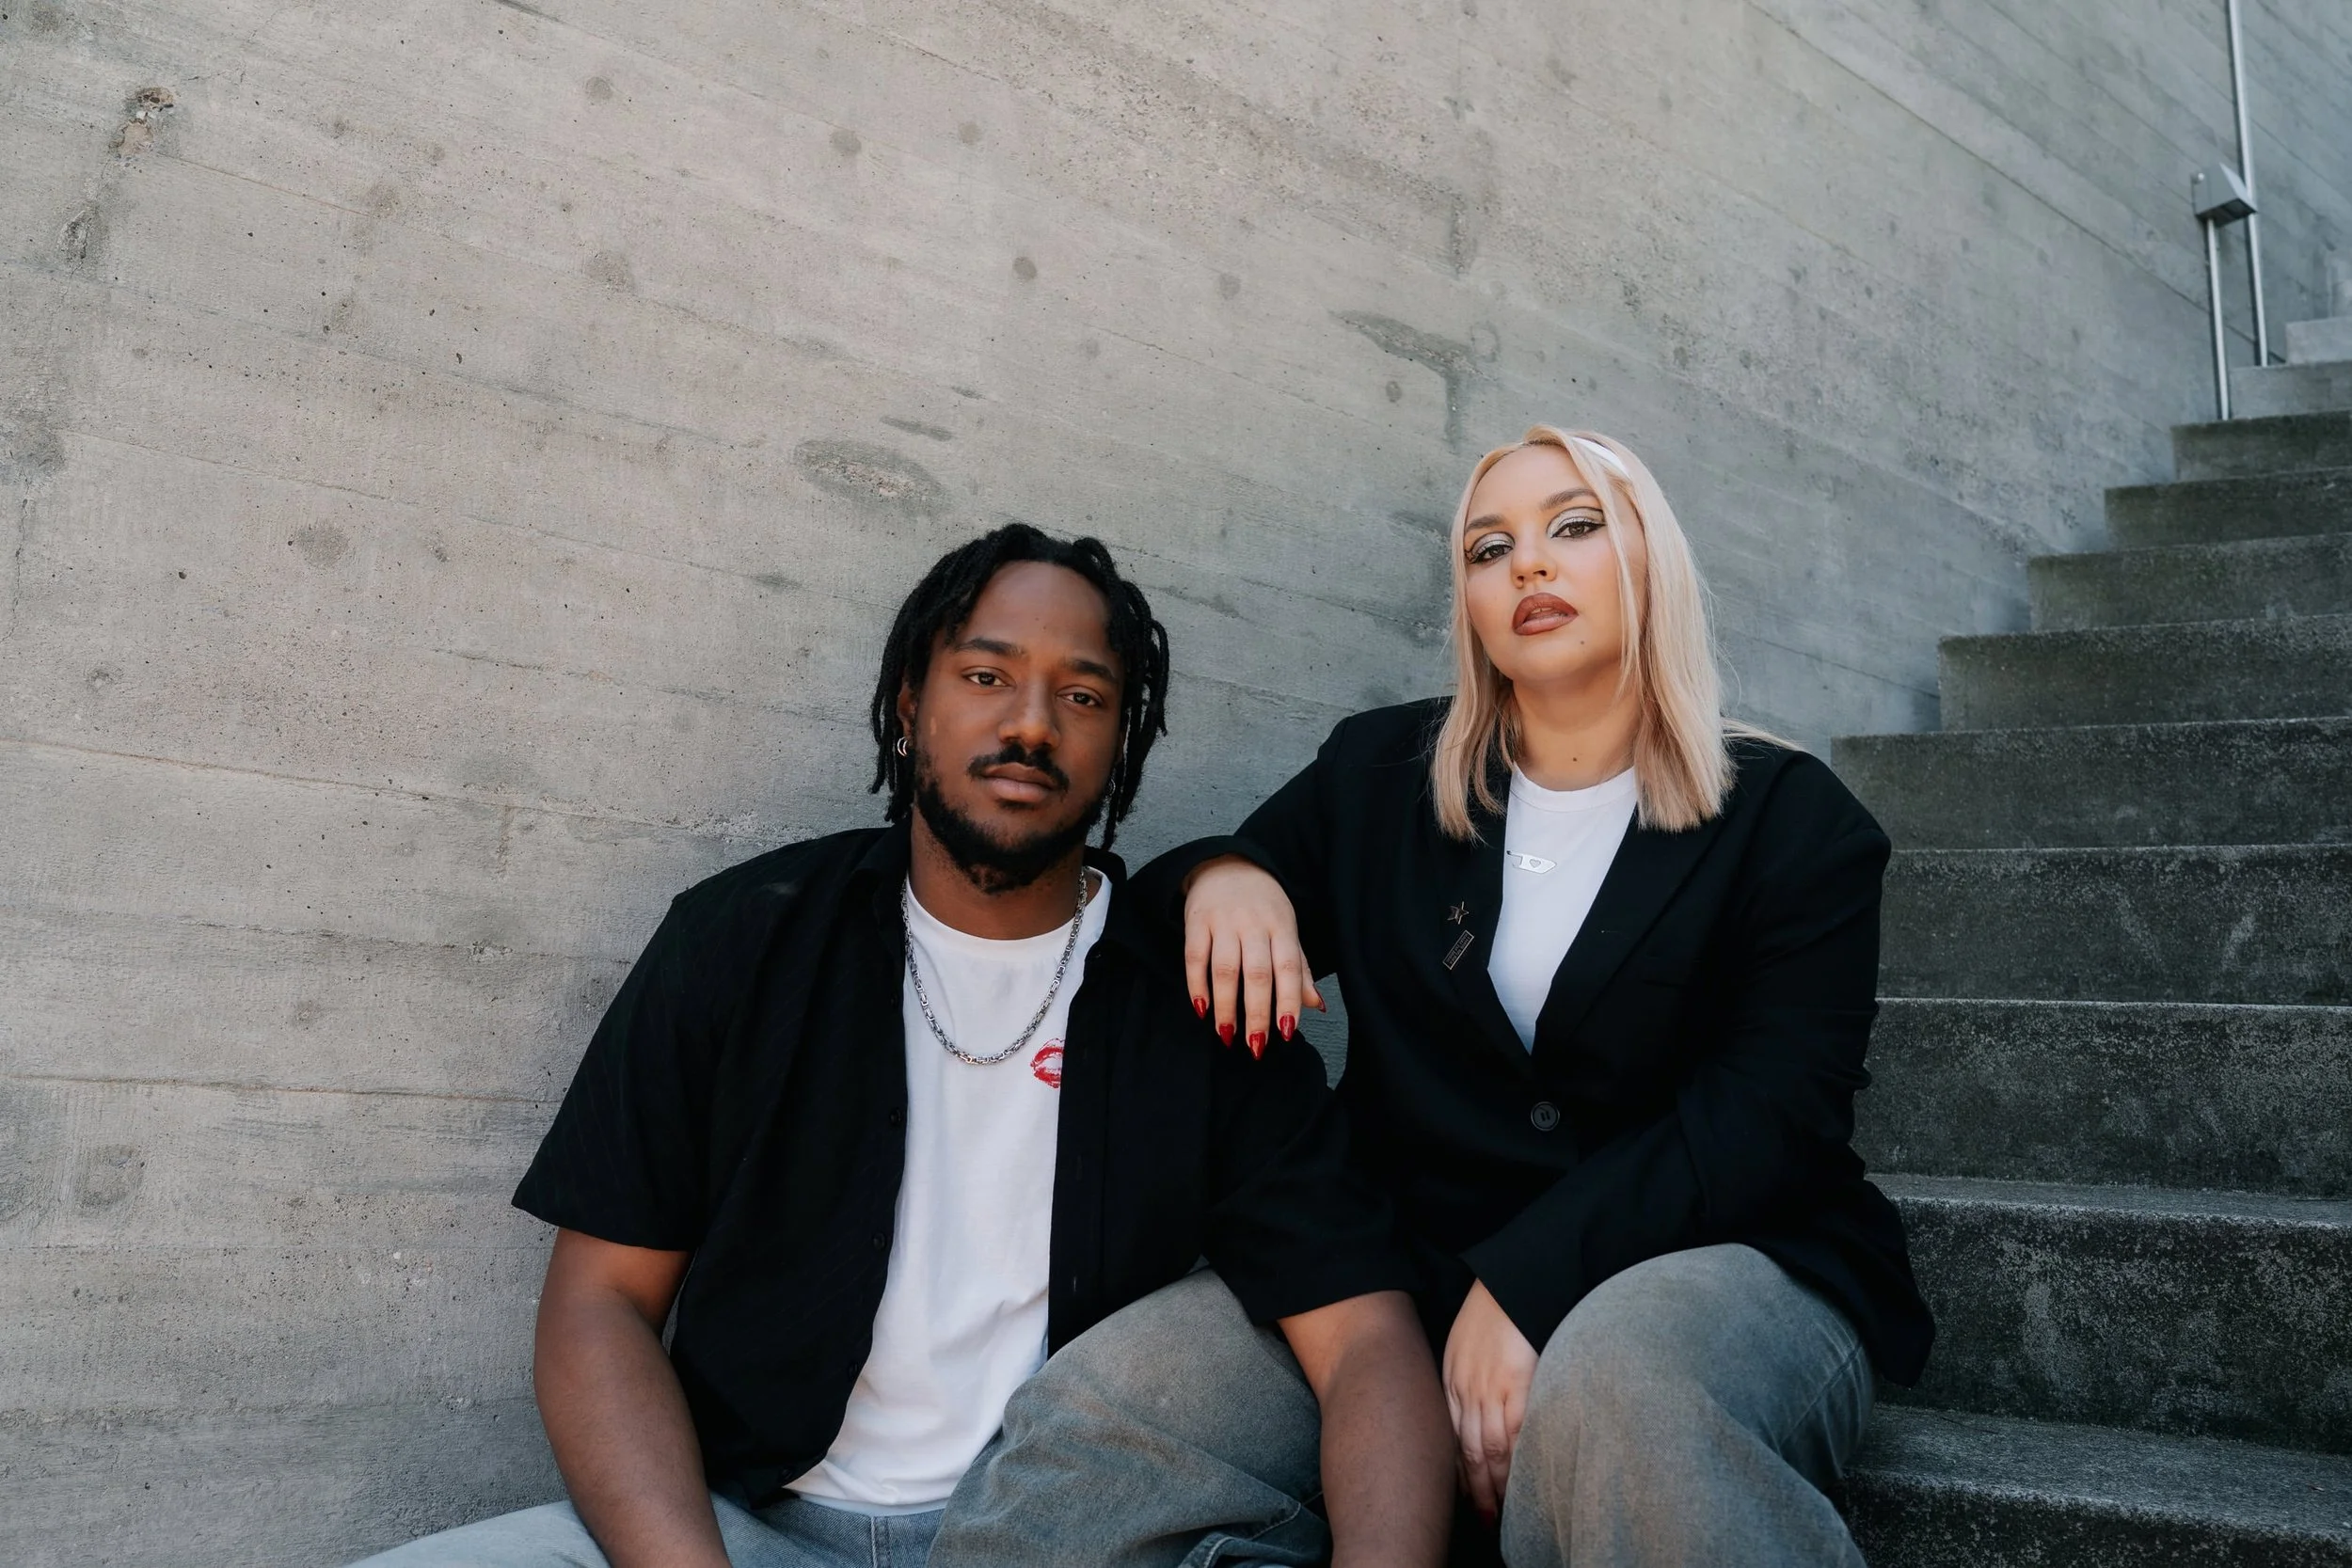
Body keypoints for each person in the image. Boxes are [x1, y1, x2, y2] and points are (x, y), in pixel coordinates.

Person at [354, 524, 1454, 1568]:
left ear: (1122, 738)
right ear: (907, 704)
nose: (1031, 723)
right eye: (985, 676)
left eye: (1082, 694)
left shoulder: (1196, 997)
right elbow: (600, 1303)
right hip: (746, 1528)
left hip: (1063, 1539)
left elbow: (1362, 1337)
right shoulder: (747, 937)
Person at [948, 430, 1934, 1568]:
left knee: (1621, 1391)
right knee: (1099, 1414)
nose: (1527, 565)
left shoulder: (1795, 821)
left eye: (1573, 526)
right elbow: (1200, 889)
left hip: (1717, 1255)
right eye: (1488, 545)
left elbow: (1772, 1118)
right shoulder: (1384, 774)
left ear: (1648, 557)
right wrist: (1225, 874)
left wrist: (1524, 1287)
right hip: (1400, 1263)